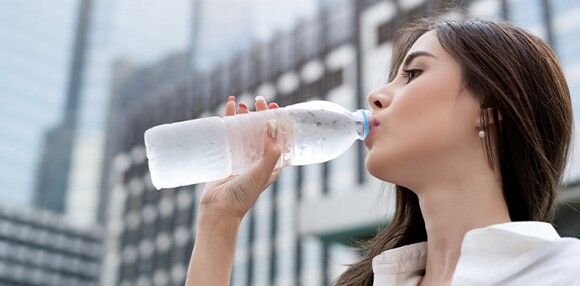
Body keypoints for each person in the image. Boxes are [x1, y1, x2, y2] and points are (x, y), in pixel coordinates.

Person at [185, 14, 580, 286]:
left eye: (412, 73)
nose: (376, 95)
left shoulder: (562, 272)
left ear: (490, 112)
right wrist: (219, 221)